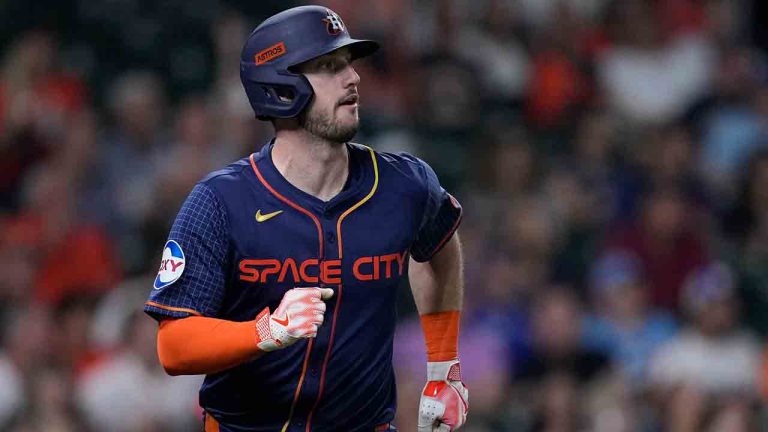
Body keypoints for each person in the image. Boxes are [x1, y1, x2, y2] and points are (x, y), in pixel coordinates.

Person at [143, 6, 468, 432]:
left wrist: (444, 367)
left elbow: (440, 247)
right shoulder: (221, 202)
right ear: (281, 86)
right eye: (330, 67)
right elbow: (173, 347)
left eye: (349, 63)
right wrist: (266, 331)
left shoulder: (404, 185)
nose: (353, 78)